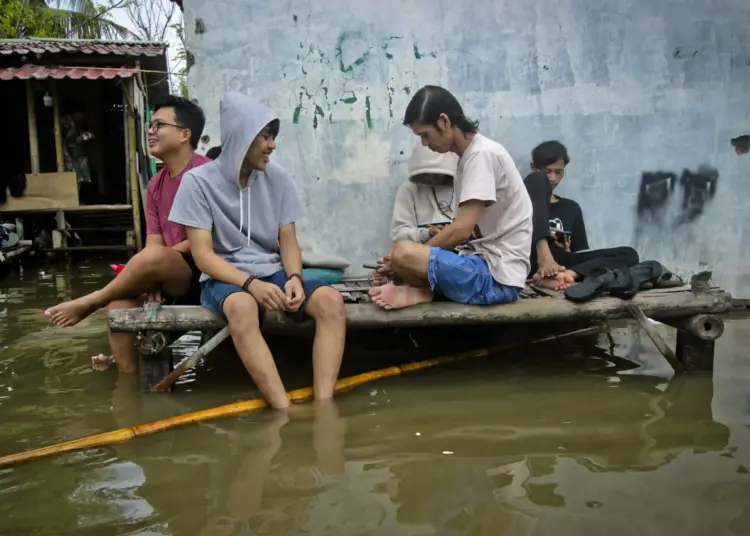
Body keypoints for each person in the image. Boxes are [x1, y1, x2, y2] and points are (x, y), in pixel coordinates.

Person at [168, 91, 346, 410]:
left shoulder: (277, 178)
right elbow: (203, 256)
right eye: (265, 136)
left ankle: (324, 406)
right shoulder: (197, 183)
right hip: (223, 278)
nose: (272, 145)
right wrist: (251, 285)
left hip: (274, 271)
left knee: (331, 301)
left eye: (273, 136)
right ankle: (283, 409)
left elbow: (287, 240)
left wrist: (293, 276)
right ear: (241, 137)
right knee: (242, 308)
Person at [45, 96, 210, 373]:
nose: (150, 130)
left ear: (185, 134)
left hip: (205, 269)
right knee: (118, 309)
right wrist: (151, 278)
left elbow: (210, 235)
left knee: (155, 257)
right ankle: (130, 386)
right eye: (150, 124)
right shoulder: (156, 184)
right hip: (170, 272)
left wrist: (158, 263)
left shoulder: (206, 173)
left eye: (159, 124)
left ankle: (90, 301)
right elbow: (153, 242)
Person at [369, 85, 533, 310]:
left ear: (444, 122)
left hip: (496, 279)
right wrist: (402, 267)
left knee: (403, 252)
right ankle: (420, 290)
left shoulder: (482, 155)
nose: (425, 144)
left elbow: (461, 230)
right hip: (478, 267)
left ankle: (421, 289)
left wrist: (409, 259)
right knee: (401, 256)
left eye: (425, 135)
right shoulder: (467, 159)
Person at [525, 140, 638, 290]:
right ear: (533, 166)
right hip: (529, 258)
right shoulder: (520, 202)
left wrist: (564, 250)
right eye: (547, 172)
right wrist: (545, 253)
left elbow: (575, 254)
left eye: (558, 172)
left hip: (557, 265)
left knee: (629, 254)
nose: (552, 178)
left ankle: (568, 275)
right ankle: (544, 257)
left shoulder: (571, 207)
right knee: (537, 181)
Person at [390, 140, 458, 244]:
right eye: (427, 174)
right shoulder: (410, 189)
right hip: (423, 253)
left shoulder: (465, 184)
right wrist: (427, 233)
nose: (432, 179)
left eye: (437, 174)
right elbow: (398, 234)